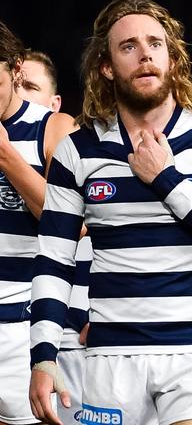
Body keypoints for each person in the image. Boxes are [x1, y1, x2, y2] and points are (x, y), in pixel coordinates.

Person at [28, 0, 192, 425]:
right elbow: (54, 261)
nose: (145, 55)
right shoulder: (77, 148)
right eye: (128, 46)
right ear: (106, 66)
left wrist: (167, 180)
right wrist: (43, 358)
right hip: (110, 357)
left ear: (172, 58)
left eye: (156, 44)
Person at [0, 21, 77, 425]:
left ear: (14, 71)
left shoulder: (54, 128)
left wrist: (5, 155)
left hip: (21, 323)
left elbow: (71, 223)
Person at [16, 49, 92, 425]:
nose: (22, 97)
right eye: (16, 87)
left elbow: (73, 224)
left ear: (54, 100)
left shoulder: (60, 133)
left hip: (40, 324)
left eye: (31, 87)